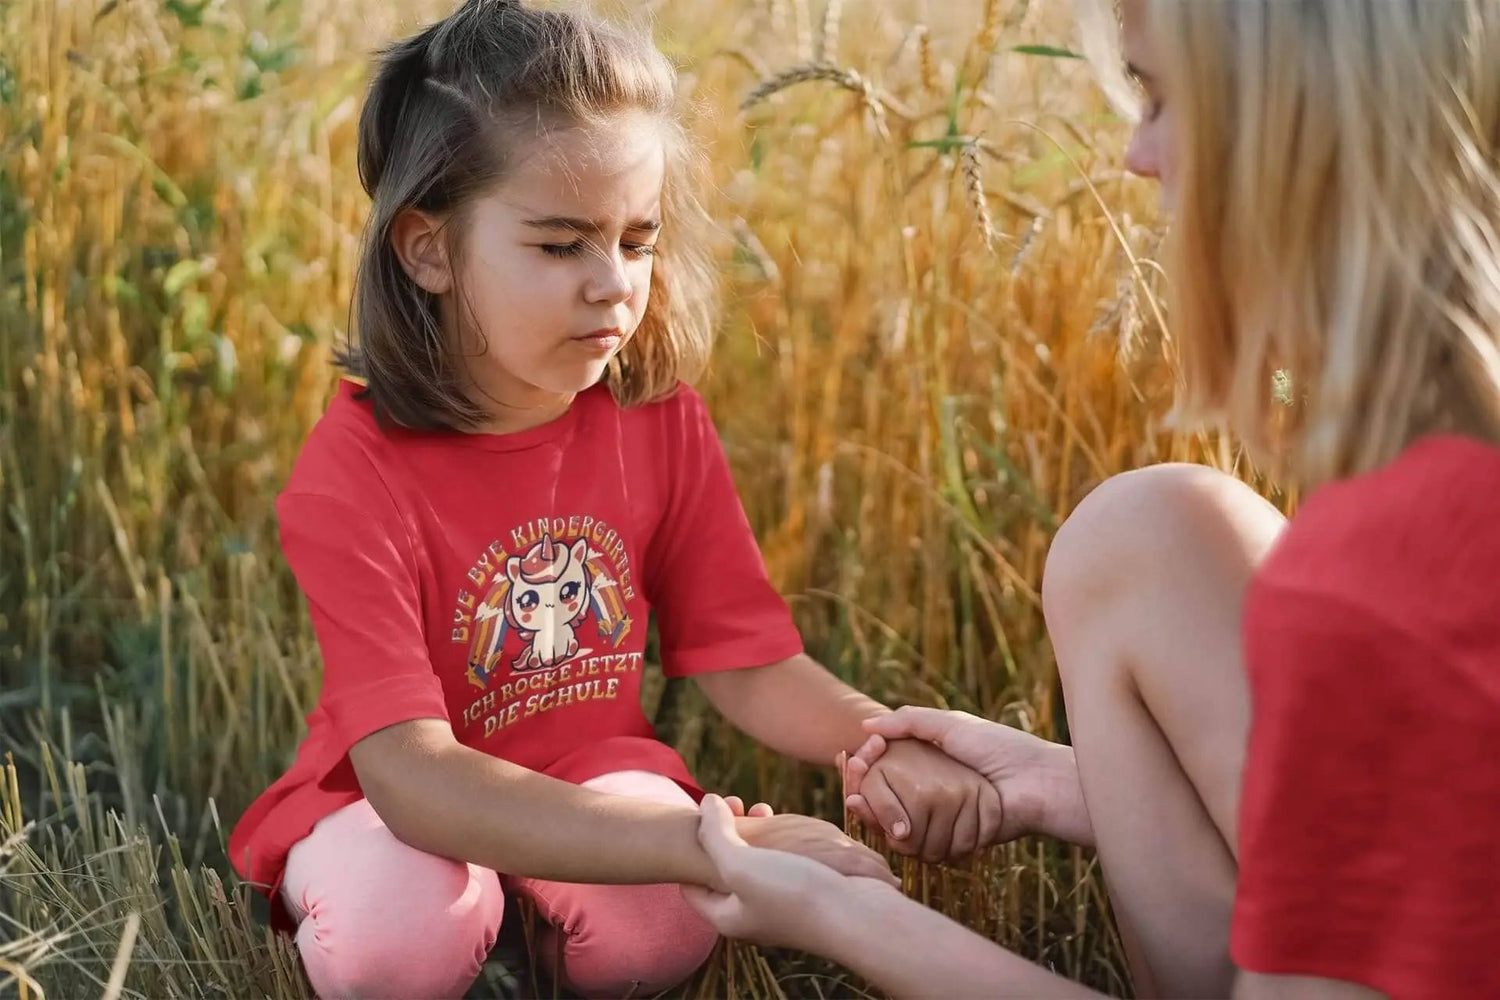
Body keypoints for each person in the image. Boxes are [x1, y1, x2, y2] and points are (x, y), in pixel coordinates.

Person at [684, 1, 1500, 998]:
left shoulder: (1386, 577)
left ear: (1295, 126)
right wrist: (1064, 782)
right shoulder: (1441, 489)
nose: (1136, 156)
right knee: (1145, 536)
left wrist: (846, 916)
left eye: (1159, 99)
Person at [225, 1, 1006, 997]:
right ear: (427, 249)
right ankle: (451, 919)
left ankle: (537, 944)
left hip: (590, 768)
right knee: (393, 946)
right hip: (396, 806)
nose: (613, 286)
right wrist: (709, 839)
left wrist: (886, 741)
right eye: (560, 246)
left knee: (654, 936)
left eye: (636, 241)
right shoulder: (353, 471)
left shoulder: (658, 420)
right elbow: (415, 775)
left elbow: (748, 660)